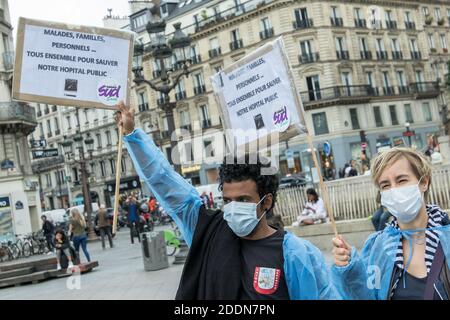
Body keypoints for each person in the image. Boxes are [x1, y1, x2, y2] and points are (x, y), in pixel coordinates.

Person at [116, 101, 339, 300]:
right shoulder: (207, 230)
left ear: (267, 202)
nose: (233, 207)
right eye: (228, 200)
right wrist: (132, 136)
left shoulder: (295, 253)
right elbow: (163, 180)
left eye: (243, 199)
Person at [332, 147, 450, 300]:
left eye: (401, 180)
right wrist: (350, 270)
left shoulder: (446, 240)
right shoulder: (378, 247)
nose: (394, 190)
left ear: (424, 182)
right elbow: (368, 295)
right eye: (385, 185)